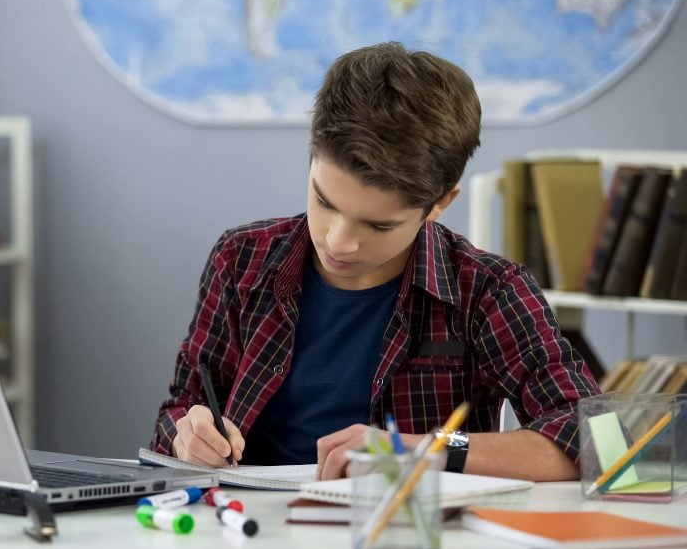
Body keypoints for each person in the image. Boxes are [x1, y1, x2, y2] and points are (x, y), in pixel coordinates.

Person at [149, 42, 600, 482]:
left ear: (440, 202)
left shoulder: (487, 290)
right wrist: (187, 434)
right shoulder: (240, 258)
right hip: (245, 529)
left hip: (405, 539)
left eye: (379, 226)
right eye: (324, 202)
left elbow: (591, 438)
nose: (339, 242)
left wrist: (422, 449)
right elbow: (181, 405)